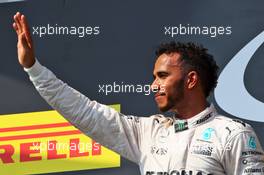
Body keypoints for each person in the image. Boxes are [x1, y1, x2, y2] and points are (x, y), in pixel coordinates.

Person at [13, 12, 264, 175]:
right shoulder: (148, 133)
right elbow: (83, 111)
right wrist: (32, 68)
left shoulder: (234, 134)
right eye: (154, 77)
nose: (153, 86)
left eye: (163, 76)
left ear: (191, 80)